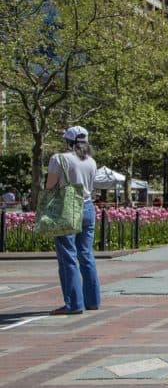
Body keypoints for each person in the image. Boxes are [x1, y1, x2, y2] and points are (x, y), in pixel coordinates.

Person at [47, 126, 102, 315]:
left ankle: (73, 304)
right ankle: (93, 300)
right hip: (87, 206)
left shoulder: (59, 158)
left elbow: (50, 185)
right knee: (86, 254)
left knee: (67, 256)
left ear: (68, 142)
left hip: (67, 206)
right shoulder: (91, 161)